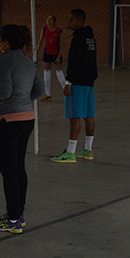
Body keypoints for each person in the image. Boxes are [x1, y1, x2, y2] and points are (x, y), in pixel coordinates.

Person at [0, 24, 46, 234]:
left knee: (9, 172)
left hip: (8, 121)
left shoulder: (3, 61)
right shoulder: (27, 61)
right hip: (27, 119)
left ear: (5, 43)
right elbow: (40, 90)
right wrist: (23, 102)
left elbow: (4, 92)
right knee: (18, 168)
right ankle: (18, 214)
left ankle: (13, 220)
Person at [51, 9, 97, 163]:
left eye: (71, 20)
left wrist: (68, 82)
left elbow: (75, 63)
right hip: (89, 82)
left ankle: (70, 152)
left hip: (77, 83)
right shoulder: (90, 38)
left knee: (74, 116)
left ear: (78, 21)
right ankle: (87, 149)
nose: (68, 23)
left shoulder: (78, 39)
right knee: (89, 116)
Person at [35, 15, 66, 102]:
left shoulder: (59, 31)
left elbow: (63, 45)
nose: (48, 21)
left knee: (59, 73)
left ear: (54, 21)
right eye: (47, 19)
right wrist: (36, 53)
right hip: (47, 53)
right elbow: (40, 41)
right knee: (46, 74)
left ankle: (67, 92)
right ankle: (48, 95)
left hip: (56, 54)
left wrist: (59, 57)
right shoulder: (44, 29)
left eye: (51, 19)